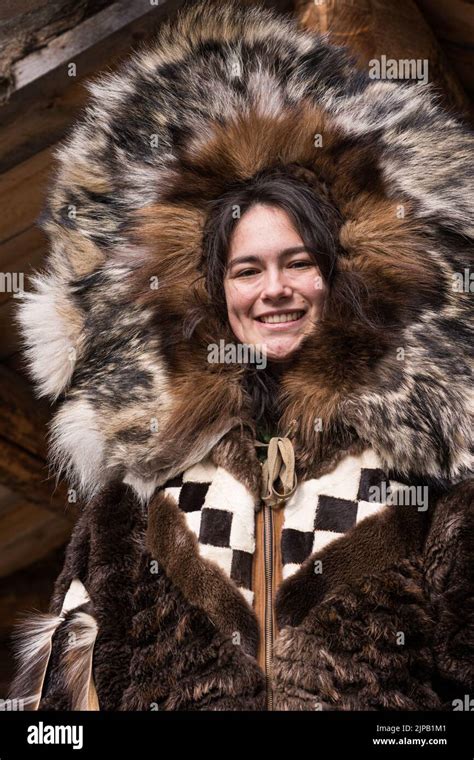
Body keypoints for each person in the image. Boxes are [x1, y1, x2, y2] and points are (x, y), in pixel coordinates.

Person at [9, 0, 472, 711]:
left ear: (338, 276)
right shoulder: (132, 505)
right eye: (248, 271)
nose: (275, 290)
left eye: (299, 263)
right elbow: (58, 717)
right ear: (217, 294)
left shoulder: (431, 467)